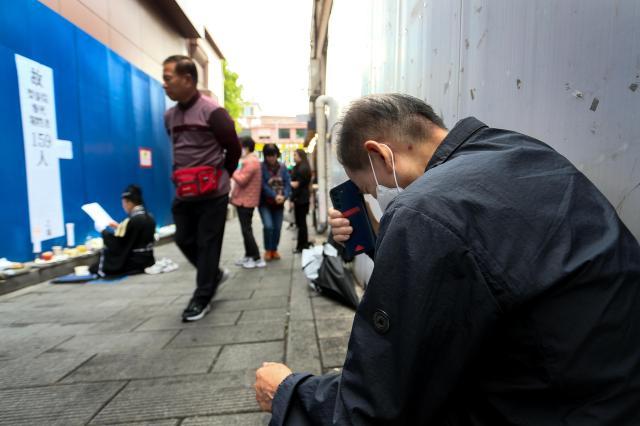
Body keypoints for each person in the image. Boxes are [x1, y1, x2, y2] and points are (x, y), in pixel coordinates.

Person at [255, 93, 640, 424]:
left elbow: (379, 400)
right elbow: (482, 267)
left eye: (372, 189)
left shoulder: (422, 210)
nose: (384, 196)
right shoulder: (522, 151)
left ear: (379, 153)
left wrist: (290, 392)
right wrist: (378, 236)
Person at [162, 55, 241, 322]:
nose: (165, 84)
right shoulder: (170, 116)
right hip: (184, 191)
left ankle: (202, 296)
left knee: (208, 244)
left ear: (187, 79)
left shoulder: (213, 112)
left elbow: (234, 148)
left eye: (168, 78)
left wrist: (224, 176)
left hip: (213, 193)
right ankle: (213, 274)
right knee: (183, 238)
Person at [91, 184, 155, 277]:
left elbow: (120, 244)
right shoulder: (148, 216)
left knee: (96, 266)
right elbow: (133, 235)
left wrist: (103, 231)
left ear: (128, 202)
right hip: (148, 259)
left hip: (135, 263)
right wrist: (118, 227)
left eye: (123, 203)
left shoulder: (134, 220)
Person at [231, 136, 266, 269]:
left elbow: (242, 180)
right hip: (246, 200)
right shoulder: (251, 160)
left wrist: (232, 170)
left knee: (246, 230)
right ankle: (249, 256)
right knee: (246, 229)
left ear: (245, 147)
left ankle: (256, 257)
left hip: (245, 201)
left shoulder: (250, 161)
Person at [259, 143, 291, 261]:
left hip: (279, 203)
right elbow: (262, 185)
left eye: (273, 155)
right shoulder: (261, 167)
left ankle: (274, 249)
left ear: (277, 155)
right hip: (265, 203)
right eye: (268, 155)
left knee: (277, 227)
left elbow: (288, 183)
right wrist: (274, 196)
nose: (271, 158)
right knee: (268, 226)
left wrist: (285, 196)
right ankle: (268, 249)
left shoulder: (283, 167)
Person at [290, 149, 312, 253]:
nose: (294, 157)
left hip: (300, 199)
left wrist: (291, 198)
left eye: (295, 155)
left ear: (300, 156)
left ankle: (301, 246)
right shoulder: (305, 167)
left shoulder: (301, 168)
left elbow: (297, 186)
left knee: (301, 224)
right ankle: (303, 244)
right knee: (302, 223)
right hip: (304, 198)